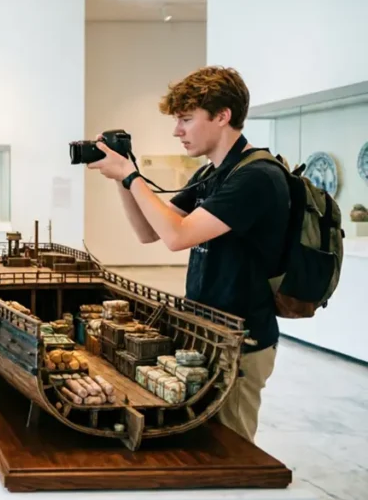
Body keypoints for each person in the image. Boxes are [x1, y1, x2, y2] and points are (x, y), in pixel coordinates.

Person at [88, 66, 288, 442]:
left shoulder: (255, 177)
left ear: (223, 116)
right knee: (204, 442)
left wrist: (132, 177)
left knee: (232, 448)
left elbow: (177, 236)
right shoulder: (211, 175)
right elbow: (149, 231)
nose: (177, 130)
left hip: (242, 341)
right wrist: (121, 177)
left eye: (186, 119)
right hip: (208, 333)